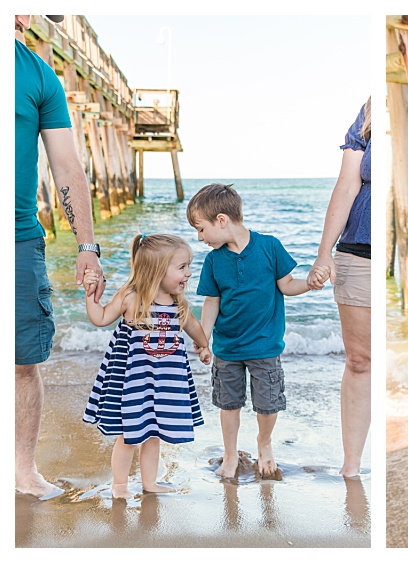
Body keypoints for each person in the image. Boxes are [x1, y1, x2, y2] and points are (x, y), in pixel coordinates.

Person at [15, 14, 106, 499]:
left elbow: (68, 167)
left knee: (22, 361)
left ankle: (22, 471)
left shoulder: (38, 74)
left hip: (19, 239)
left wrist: (87, 247)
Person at [187, 183, 320, 480]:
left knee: (268, 404)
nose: (200, 237)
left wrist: (309, 284)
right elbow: (212, 302)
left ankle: (264, 442)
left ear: (221, 220)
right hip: (228, 348)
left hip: (265, 345)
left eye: (201, 229)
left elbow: (287, 285)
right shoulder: (213, 260)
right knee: (228, 404)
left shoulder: (270, 247)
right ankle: (230, 453)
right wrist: (203, 338)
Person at [80, 234, 212, 498]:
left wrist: (204, 345)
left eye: (188, 266)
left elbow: (194, 326)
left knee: (153, 433)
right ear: (157, 270)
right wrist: (91, 295)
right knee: (129, 434)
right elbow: (101, 317)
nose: (188, 273)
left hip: (163, 381)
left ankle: (150, 483)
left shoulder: (178, 304)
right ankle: (120, 486)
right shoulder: (131, 298)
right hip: (134, 380)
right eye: (182, 267)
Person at [307, 97, 371, 477]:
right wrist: (323, 253)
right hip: (358, 252)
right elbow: (347, 185)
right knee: (360, 360)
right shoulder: (367, 114)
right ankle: (352, 466)